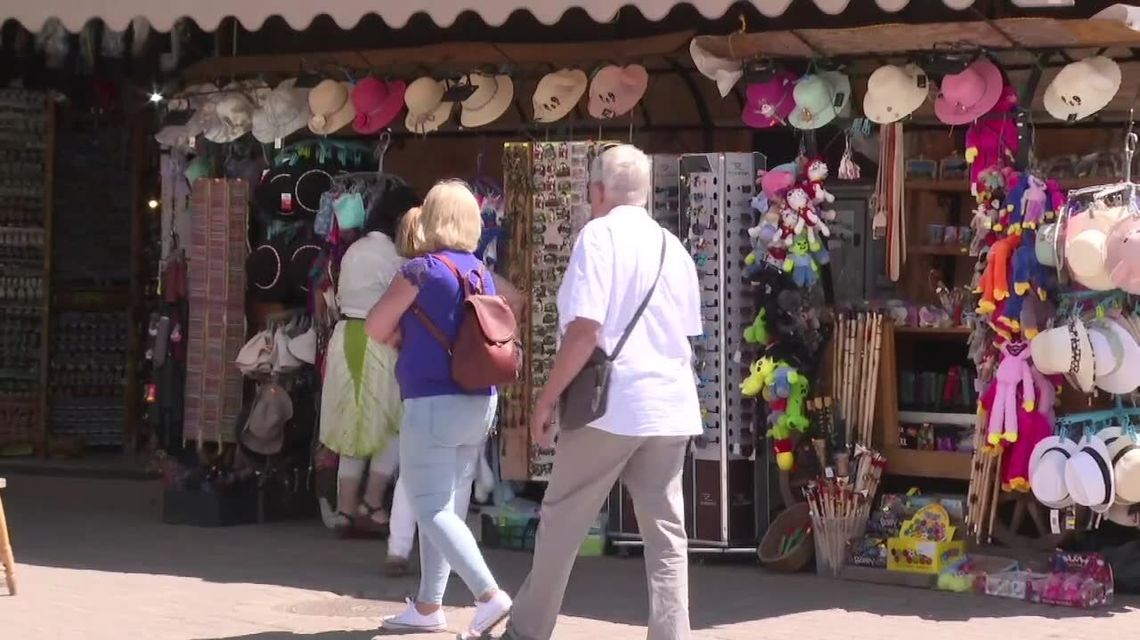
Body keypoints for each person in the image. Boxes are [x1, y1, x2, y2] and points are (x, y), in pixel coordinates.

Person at [504, 145, 702, 640]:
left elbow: (585, 329)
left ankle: (528, 630)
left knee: (562, 518)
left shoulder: (599, 236)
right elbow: (690, 333)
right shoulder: (672, 248)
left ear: (597, 191)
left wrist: (547, 398)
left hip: (612, 404)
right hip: (671, 402)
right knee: (666, 533)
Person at [365, 179, 522, 637]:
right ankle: (429, 606)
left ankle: (489, 595)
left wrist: (399, 335)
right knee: (446, 506)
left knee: (429, 505)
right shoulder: (480, 271)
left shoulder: (421, 270)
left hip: (432, 400)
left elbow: (375, 325)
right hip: (478, 402)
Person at [318, 176, 419, 537]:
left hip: (347, 336)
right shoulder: (396, 259)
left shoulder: (356, 249)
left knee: (353, 424)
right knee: (390, 423)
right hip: (378, 339)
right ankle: (372, 504)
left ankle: (347, 510)